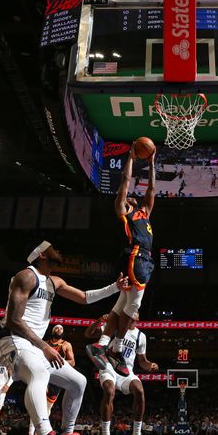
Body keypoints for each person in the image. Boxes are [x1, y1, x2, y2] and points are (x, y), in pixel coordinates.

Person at [0, 240, 129, 435]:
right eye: (53, 248)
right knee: (39, 374)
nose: (58, 250)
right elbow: (14, 321)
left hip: (34, 346)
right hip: (11, 340)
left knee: (79, 381)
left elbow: (85, 297)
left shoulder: (54, 282)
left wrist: (115, 287)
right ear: (42, 255)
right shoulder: (26, 276)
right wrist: (46, 346)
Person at [87, 142, 156, 376]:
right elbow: (125, 183)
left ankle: (102, 344)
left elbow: (152, 191)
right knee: (134, 306)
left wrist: (152, 163)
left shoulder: (144, 213)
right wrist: (131, 158)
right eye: (129, 198)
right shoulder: (123, 210)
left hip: (139, 259)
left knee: (121, 305)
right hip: (137, 257)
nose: (133, 198)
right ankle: (116, 350)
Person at [86, 313, 158, 435]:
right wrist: (99, 320)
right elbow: (88, 334)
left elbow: (142, 361)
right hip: (108, 366)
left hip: (126, 371)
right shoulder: (113, 327)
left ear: (138, 318)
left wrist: (150, 365)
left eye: (136, 310)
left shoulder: (140, 336)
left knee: (139, 390)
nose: (133, 311)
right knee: (109, 391)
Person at [24, 324, 76, 435]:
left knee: (47, 408)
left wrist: (56, 360)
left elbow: (72, 362)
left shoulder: (66, 345)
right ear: (52, 330)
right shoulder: (44, 344)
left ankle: (38, 433)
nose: (59, 329)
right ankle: (31, 434)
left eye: (61, 328)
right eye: (56, 328)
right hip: (43, 375)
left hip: (56, 378)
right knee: (37, 402)